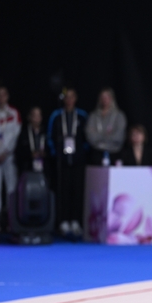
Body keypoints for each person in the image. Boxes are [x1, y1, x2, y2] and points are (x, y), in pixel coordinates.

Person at [47, 89, 88, 236]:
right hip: (61, 160)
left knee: (77, 190)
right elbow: (50, 136)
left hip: (78, 160)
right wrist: (56, 153)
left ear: (75, 98)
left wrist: (82, 152)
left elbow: (87, 136)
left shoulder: (82, 116)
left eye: (72, 97)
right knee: (62, 190)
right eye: (67, 97)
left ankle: (76, 221)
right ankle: (63, 221)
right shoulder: (56, 115)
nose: (69, 100)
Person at [0, 86, 22, 231]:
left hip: (8, 157)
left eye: (3, 95)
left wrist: (6, 151)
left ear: (7, 96)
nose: (1, 98)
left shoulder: (13, 113)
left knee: (11, 189)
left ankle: (11, 221)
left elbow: (15, 135)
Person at [85, 88, 127, 166]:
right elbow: (90, 135)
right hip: (97, 153)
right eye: (103, 97)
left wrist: (99, 135)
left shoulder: (119, 115)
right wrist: (107, 134)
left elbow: (118, 136)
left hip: (114, 152)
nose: (105, 100)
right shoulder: (93, 116)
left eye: (107, 97)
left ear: (112, 98)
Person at [15, 107, 47, 175]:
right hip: (28, 169)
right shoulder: (24, 133)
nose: (37, 118)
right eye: (34, 115)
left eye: (38, 115)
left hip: (43, 169)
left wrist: (45, 153)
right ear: (29, 117)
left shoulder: (45, 132)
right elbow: (18, 152)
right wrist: (30, 155)